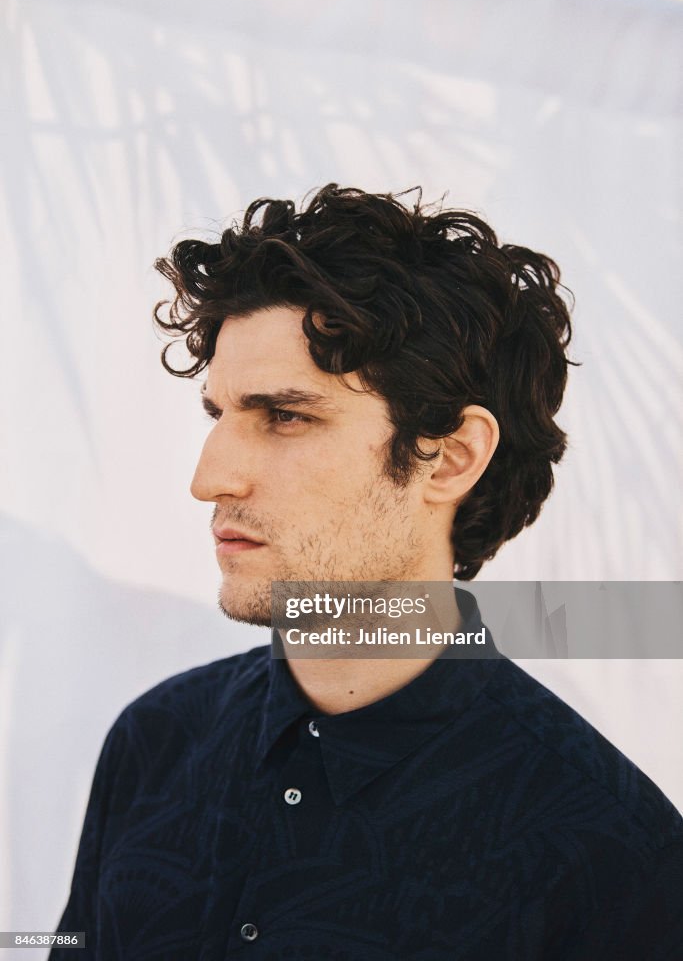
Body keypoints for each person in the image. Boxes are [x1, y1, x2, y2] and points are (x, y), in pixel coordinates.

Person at [51, 185, 682, 959]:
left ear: (448, 457)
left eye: (284, 416)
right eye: (219, 415)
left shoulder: (606, 850)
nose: (209, 478)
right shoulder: (157, 740)